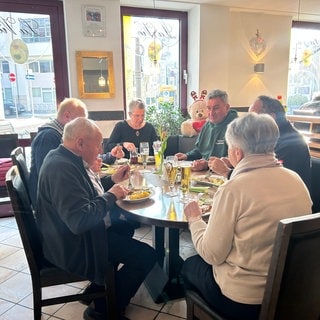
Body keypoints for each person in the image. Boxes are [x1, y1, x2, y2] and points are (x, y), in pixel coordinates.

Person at [182, 113, 312, 320]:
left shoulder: (233, 189)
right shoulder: (296, 180)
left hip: (244, 301)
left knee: (188, 267)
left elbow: (212, 254)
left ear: (236, 153)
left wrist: (195, 219)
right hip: (291, 292)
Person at [35, 117, 157, 320]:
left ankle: (98, 288)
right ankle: (102, 310)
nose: (101, 150)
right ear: (80, 143)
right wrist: (112, 195)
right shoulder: (61, 168)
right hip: (73, 246)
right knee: (146, 256)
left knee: (125, 228)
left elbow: (84, 191)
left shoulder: (65, 158)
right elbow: (79, 221)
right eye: (98, 144)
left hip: (74, 237)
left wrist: (112, 180)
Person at [29, 97, 123, 207]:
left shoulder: (67, 148)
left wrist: (112, 175)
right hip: (51, 207)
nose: (84, 124)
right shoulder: (48, 138)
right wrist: (111, 195)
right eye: (82, 120)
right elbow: (52, 181)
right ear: (67, 116)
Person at [209, 95, 311, 190]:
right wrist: (233, 160)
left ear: (270, 118)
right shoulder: (267, 137)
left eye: (253, 116)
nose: (247, 121)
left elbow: (266, 182)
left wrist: (226, 172)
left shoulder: (291, 145)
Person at [175, 89, 238, 171]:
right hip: (203, 175)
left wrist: (207, 164)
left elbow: (235, 159)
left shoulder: (237, 127)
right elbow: (200, 150)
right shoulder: (206, 125)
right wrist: (187, 156)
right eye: (208, 108)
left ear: (227, 107)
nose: (211, 113)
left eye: (216, 108)